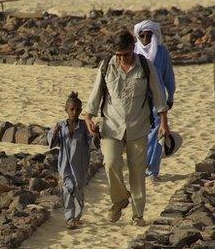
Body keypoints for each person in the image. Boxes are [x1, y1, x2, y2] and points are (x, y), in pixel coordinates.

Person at [84, 31, 170, 226]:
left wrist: (164, 122)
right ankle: (120, 199)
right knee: (111, 163)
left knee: (137, 171)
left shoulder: (145, 66)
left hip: (138, 125)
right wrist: (88, 117)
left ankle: (137, 214)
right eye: (118, 54)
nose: (122, 58)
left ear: (133, 48)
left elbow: (158, 95)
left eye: (126, 54)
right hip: (111, 125)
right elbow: (96, 93)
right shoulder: (107, 66)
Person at [134, 21, 176, 182]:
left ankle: (152, 170)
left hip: (157, 99)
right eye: (142, 35)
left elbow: (168, 75)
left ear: (155, 35)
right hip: (138, 99)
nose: (145, 38)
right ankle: (141, 166)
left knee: (157, 133)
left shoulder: (162, 52)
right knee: (140, 134)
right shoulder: (133, 52)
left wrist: (170, 96)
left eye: (149, 35)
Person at [49, 92, 91, 230]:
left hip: (80, 163)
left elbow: (93, 142)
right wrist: (54, 133)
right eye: (71, 109)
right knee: (67, 189)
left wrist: (96, 133)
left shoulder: (84, 126)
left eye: (78, 109)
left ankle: (77, 216)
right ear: (66, 109)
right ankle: (69, 218)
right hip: (65, 164)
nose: (75, 112)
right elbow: (51, 142)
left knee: (78, 189)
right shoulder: (60, 126)